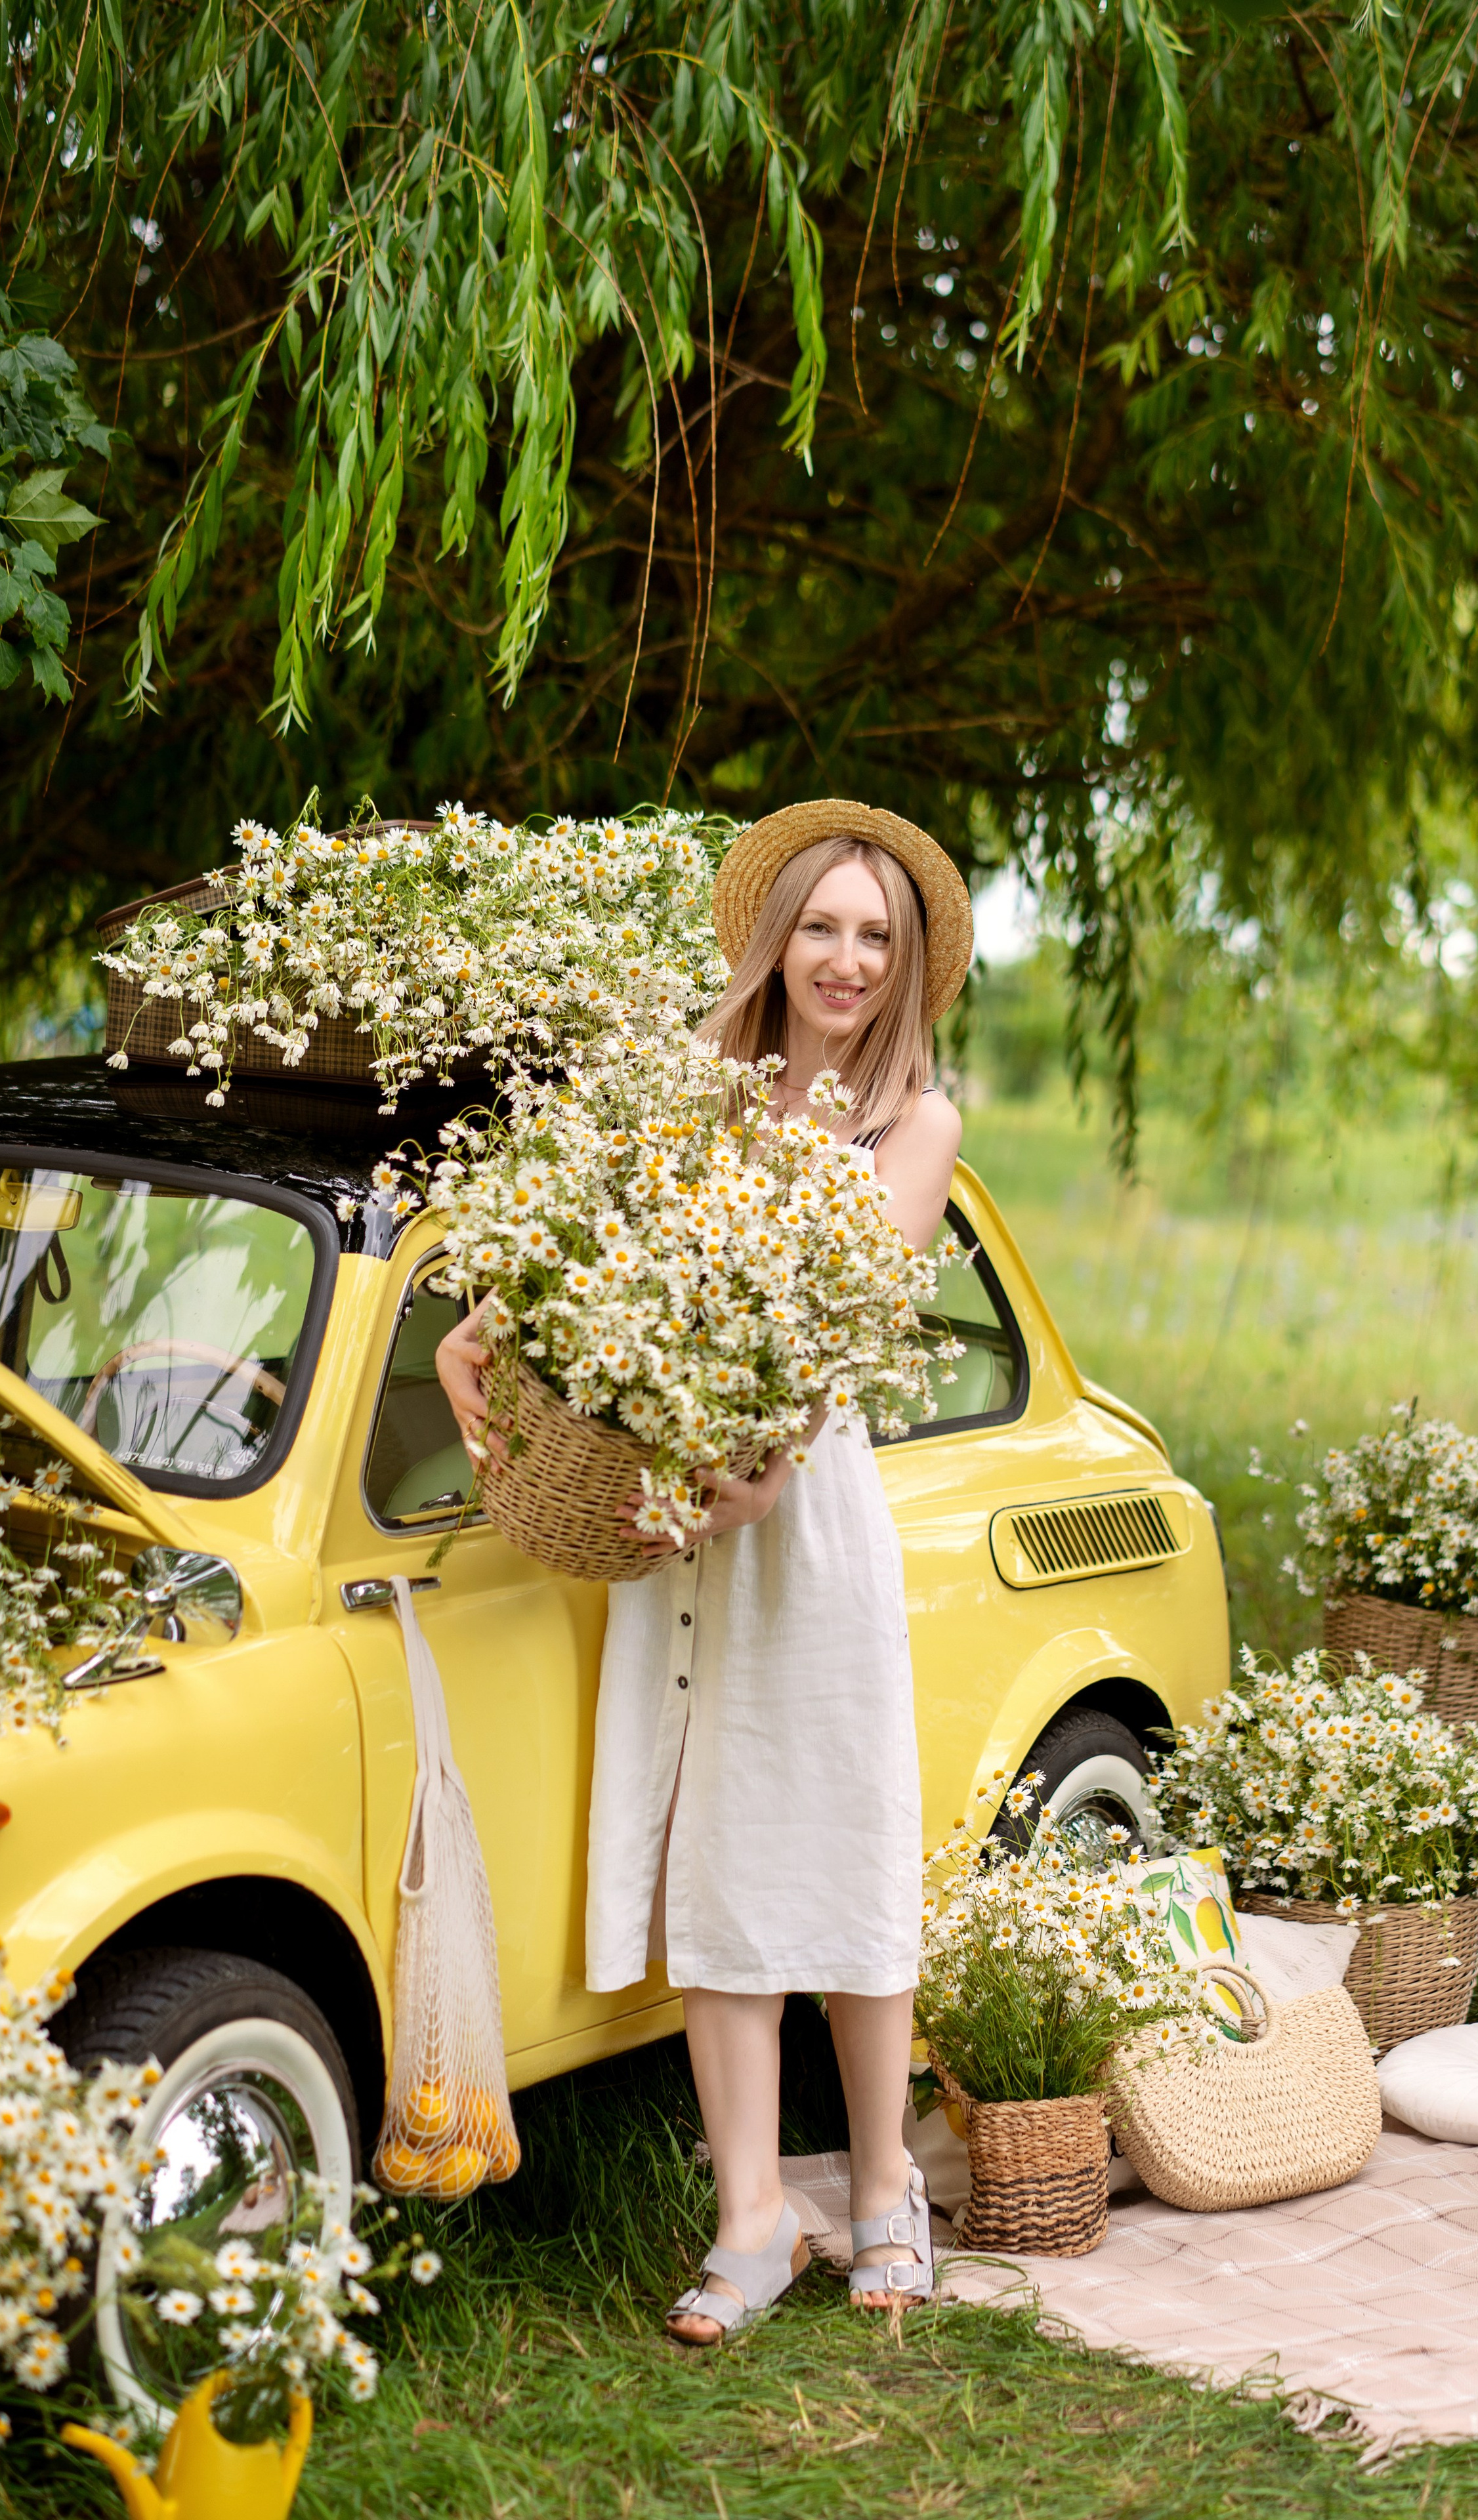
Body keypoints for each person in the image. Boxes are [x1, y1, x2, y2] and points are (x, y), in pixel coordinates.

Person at [436, 798, 971, 2344]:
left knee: (847, 1843)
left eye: (876, 936)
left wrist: (753, 1477)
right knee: (717, 1859)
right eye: (821, 926)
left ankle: (881, 2188)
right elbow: (571, 1238)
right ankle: (752, 2218)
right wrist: (486, 1326)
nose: (846, 959)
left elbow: (824, 1339)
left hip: (801, 1525)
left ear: (908, 961)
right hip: (676, 1523)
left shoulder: (908, 1127)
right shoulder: (691, 1091)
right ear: (775, 936)